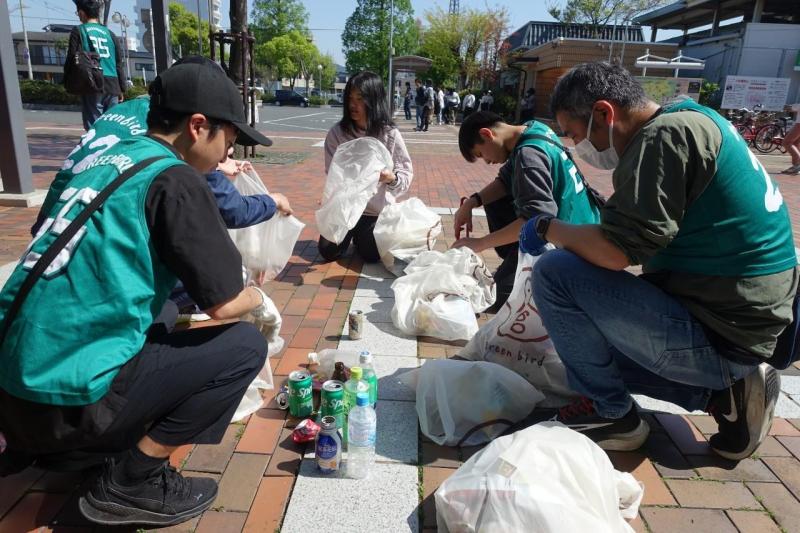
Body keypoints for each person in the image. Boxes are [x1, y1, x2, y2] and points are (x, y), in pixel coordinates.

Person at [0, 58, 280, 527]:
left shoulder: (107, 157)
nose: (226, 157)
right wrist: (259, 298)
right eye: (228, 142)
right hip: (69, 404)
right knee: (242, 347)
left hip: (12, 394)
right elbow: (225, 302)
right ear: (198, 126)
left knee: (166, 313)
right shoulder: (176, 179)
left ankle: (56, 453)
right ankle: (132, 479)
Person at [519, 62, 797, 459]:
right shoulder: (694, 118)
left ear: (604, 113)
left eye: (576, 135)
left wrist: (548, 228)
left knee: (555, 275)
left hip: (726, 327)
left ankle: (613, 415)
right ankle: (727, 395)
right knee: (579, 351)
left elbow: (615, 253)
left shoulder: (661, 139)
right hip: (745, 319)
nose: (578, 146)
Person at [453, 111, 601, 309]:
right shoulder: (533, 129)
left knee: (495, 299)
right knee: (496, 200)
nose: (487, 161)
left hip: (577, 247)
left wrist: (480, 243)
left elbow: (538, 220)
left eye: (481, 154)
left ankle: (527, 272)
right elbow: (505, 181)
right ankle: (516, 260)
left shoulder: (528, 155)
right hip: (587, 223)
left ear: (487, 134)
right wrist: (472, 202)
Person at [317, 71, 414, 263]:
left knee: (371, 254)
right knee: (327, 251)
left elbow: (405, 173)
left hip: (374, 211)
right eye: (350, 98)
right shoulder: (337, 134)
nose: (353, 105)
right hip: (344, 208)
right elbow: (332, 173)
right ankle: (351, 235)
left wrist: (391, 178)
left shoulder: (389, 134)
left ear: (374, 100)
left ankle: (363, 236)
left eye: (360, 99)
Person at [68, 0, 126, 130]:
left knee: (94, 129)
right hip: (113, 84)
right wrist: (121, 88)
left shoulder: (79, 31)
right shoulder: (110, 34)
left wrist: (69, 83)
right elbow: (118, 63)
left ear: (82, 13)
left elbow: (72, 58)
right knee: (112, 127)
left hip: (92, 82)